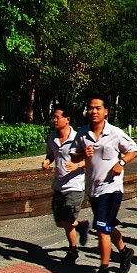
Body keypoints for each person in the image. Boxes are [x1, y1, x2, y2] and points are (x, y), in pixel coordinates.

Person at [72, 95, 137, 273]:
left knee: (102, 228)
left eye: (98, 108)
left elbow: (134, 150)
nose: (94, 111)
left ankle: (103, 271)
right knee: (107, 226)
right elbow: (74, 157)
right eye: (91, 108)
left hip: (111, 188)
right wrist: (82, 154)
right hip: (93, 189)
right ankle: (125, 252)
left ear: (106, 111)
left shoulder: (115, 133)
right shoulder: (82, 133)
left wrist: (121, 162)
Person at [42, 106, 89, 264]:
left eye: (57, 117)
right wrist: (47, 161)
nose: (54, 120)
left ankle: (73, 251)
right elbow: (51, 154)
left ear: (67, 119)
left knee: (67, 221)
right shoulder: (52, 137)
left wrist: (77, 165)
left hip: (75, 186)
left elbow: (90, 159)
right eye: (53, 117)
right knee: (60, 222)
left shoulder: (78, 138)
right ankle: (81, 226)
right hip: (58, 185)